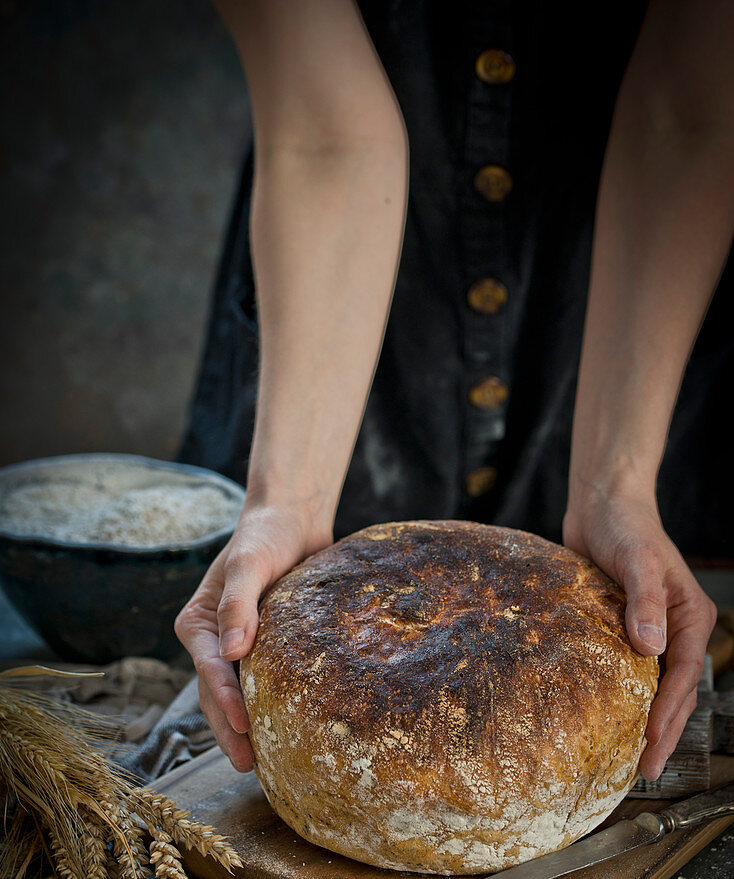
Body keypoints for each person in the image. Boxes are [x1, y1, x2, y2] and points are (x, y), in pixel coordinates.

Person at [175, 0, 733, 783]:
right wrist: (289, 501)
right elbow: (325, 135)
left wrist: (619, 488)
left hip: (620, 294)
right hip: (336, 302)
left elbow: (686, 112)